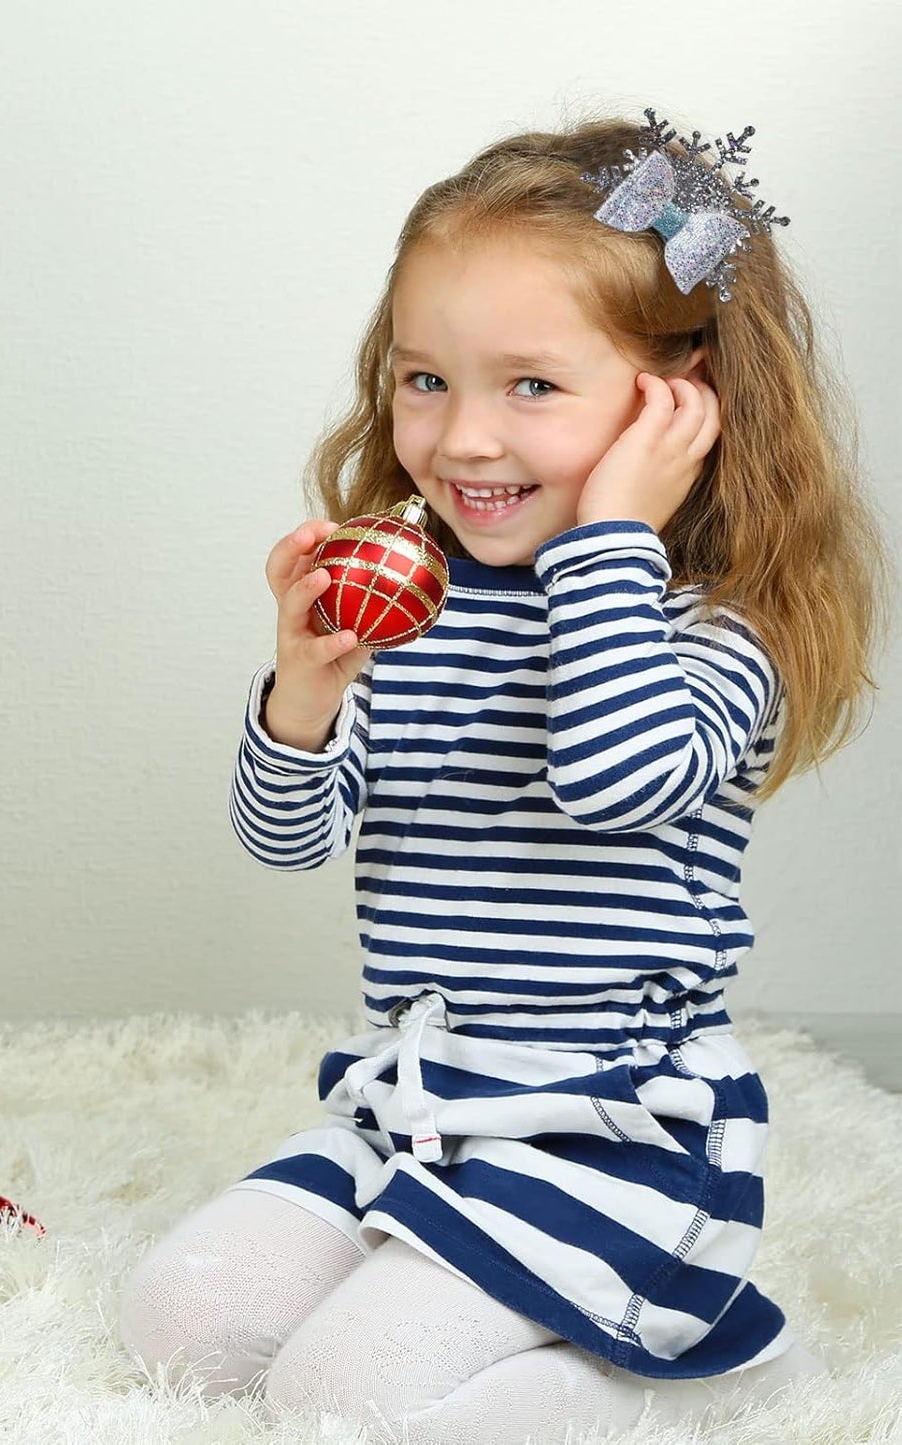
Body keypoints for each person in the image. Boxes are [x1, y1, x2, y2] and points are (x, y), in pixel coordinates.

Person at [117, 111, 886, 1443]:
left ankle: (685, 1376)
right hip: (412, 1115)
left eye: (529, 387)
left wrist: (609, 542)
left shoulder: (706, 634)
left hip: (616, 1138)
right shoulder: (411, 612)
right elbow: (287, 837)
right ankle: (486, 1302)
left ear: (673, 404)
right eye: (425, 381)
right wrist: (303, 693)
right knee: (178, 1320)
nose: (464, 438)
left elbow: (613, 778)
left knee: (339, 1397)